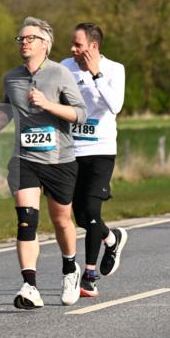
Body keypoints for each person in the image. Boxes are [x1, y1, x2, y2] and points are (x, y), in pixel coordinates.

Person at [0, 17, 87, 309]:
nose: (24, 42)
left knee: (62, 220)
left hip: (59, 159)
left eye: (30, 38)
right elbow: (6, 108)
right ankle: (30, 286)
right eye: (21, 38)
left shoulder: (61, 74)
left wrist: (48, 104)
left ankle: (70, 269)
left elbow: (80, 114)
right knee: (26, 220)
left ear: (45, 44)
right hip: (24, 158)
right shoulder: (11, 77)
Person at [60, 23, 129, 298]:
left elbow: (115, 106)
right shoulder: (65, 66)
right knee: (79, 215)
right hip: (71, 149)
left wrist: (96, 74)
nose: (72, 49)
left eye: (78, 45)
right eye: (72, 44)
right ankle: (112, 239)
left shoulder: (114, 69)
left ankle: (89, 276)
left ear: (94, 47)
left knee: (91, 209)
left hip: (101, 149)